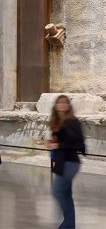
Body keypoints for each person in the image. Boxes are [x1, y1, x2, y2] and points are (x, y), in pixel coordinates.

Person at [47, 95, 85, 228]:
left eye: (65, 103)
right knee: (67, 195)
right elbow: (58, 141)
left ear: (68, 106)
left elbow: (79, 144)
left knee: (57, 191)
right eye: (59, 103)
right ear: (56, 106)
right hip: (62, 162)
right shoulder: (57, 123)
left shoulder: (73, 121)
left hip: (71, 162)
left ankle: (67, 225)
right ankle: (70, 225)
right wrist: (52, 144)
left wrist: (59, 145)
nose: (62, 105)